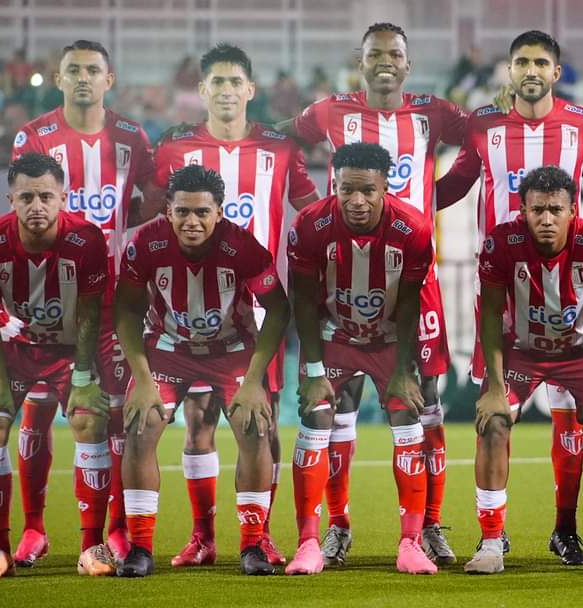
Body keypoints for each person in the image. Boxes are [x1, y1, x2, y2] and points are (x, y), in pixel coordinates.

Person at [277, 22, 468, 567]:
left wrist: (435, 198)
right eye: (375, 54)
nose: (385, 62)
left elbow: (478, 144)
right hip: (344, 276)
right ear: (359, 62)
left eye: (395, 54)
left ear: (408, 64)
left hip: (413, 273)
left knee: (424, 407)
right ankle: (335, 527)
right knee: (339, 409)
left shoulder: (433, 112)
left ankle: (428, 525)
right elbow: (282, 137)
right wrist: (311, 199)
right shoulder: (331, 110)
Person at [435, 29, 583, 566]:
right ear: (508, 72)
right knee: (494, 418)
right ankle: (494, 536)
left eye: (540, 61)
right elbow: (453, 186)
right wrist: (401, 210)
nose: (530, 69)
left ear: (556, 72)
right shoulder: (483, 124)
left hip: (570, 296)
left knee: (570, 422)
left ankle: (566, 529)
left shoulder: (582, 124)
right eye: (521, 62)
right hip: (503, 293)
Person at [154, 43, 319, 569]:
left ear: (251, 90)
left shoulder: (281, 147)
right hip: (186, 306)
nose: (226, 91)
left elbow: (311, 209)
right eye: (216, 83)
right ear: (201, 90)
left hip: (259, 309)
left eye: (235, 83)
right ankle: (203, 537)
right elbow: (152, 212)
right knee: (198, 422)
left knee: (260, 422)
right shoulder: (175, 149)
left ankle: (259, 536)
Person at [10, 39, 164, 567]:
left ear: (109, 78)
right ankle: (33, 529)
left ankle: (116, 530)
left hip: (115, 299)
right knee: (39, 409)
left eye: (92, 70)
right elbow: (20, 208)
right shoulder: (35, 136)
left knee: (114, 417)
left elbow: (156, 195)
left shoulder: (130, 136)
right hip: (49, 298)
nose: (82, 77)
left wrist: (124, 236)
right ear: (58, 78)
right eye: (72, 69)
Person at [113, 164, 291, 577]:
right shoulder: (145, 244)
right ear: (167, 211)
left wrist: (251, 383)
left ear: (220, 213)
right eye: (182, 212)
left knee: (254, 425)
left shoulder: (243, 246)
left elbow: (279, 309)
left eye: (202, 213)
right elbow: (125, 309)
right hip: (168, 349)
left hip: (232, 350)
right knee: (141, 426)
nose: (192, 222)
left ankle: (252, 546)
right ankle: (140, 548)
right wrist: (141, 380)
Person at [465, 166, 583, 576]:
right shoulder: (500, 243)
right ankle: (490, 543)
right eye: (537, 209)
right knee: (493, 423)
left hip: (581, 350)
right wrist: (495, 386)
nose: (546, 218)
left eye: (556, 209)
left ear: (573, 210)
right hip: (523, 350)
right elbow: (489, 315)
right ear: (522, 210)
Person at [284, 142, 436, 576]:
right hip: (335, 334)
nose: (356, 200)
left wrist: (405, 370)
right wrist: (314, 371)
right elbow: (304, 302)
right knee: (316, 417)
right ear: (332, 184)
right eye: (346, 189)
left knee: (409, 418)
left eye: (367, 191)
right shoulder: (310, 225)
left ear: (386, 186)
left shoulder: (414, 228)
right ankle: (311, 541)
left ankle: (410, 541)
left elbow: (410, 302)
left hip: (390, 337)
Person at [0, 153, 113, 579]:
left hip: (70, 350)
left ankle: (92, 547)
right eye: (27, 197)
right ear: (10, 199)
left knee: (90, 423)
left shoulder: (87, 239)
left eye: (46, 196)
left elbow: (90, 314)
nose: (37, 206)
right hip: (12, 347)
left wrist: (84, 378)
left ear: (62, 198)